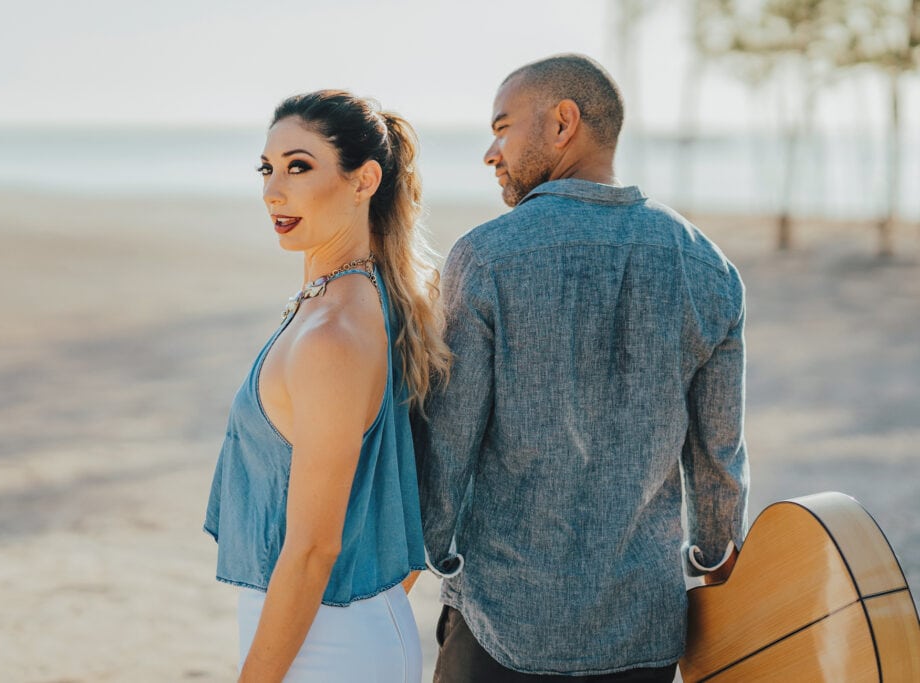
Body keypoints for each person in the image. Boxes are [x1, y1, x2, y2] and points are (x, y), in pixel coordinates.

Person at [415, 54, 750, 682]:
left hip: (503, 623)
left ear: (563, 122)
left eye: (503, 126)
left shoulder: (486, 256)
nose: (492, 152)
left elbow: (449, 441)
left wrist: (423, 551)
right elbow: (718, 452)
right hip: (642, 626)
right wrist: (713, 548)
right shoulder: (710, 268)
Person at [204, 89, 450, 682]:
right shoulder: (353, 302)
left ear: (364, 180)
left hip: (330, 644)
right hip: (328, 627)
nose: (272, 191)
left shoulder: (334, 333)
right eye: (267, 169)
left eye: (299, 167)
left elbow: (315, 549)